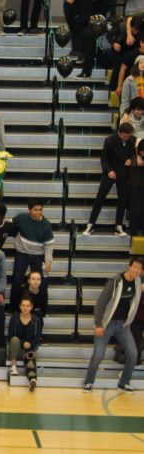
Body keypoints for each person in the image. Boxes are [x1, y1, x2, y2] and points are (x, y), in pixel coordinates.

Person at [82, 257, 144, 393]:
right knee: (98, 355)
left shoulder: (138, 282)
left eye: (139, 269)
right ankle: (88, 382)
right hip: (106, 324)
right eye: (134, 267)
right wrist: (98, 324)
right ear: (129, 266)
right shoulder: (115, 281)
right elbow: (100, 303)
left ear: (141, 271)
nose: (136, 270)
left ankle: (124, 383)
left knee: (133, 354)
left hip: (122, 325)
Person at [82, 123, 135, 237]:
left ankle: (118, 226)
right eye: (124, 136)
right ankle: (91, 224)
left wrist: (131, 159)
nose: (126, 138)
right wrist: (109, 171)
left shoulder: (132, 139)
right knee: (100, 198)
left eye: (128, 136)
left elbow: (133, 154)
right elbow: (104, 158)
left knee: (122, 200)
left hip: (124, 173)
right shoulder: (109, 140)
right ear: (119, 132)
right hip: (110, 172)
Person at [2, 199, 54, 310]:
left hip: (38, 255)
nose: (38, 212)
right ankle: (14, 308)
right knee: (16, 280)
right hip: (22, 253)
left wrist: (48, 262)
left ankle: (42, 309)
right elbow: (7, 224)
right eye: (35, 210)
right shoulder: (21, 218)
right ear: (29, 210)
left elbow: (49, 246)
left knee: (42, 283)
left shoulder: (46, 225)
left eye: (40, 210)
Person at [8, 295, 42, 391]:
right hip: (16, 349)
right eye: (23, 305)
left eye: (27, 306)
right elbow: (10, 336)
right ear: (20, 306)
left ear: (31, 307)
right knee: (14, 340)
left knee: (30, 359)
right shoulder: (14, 319)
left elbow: (37, 337)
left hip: (29, 349)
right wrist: (23, 343)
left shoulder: (36, 320)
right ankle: (13, 366)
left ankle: (32, 380)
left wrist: (30, 344)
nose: (25, 308)